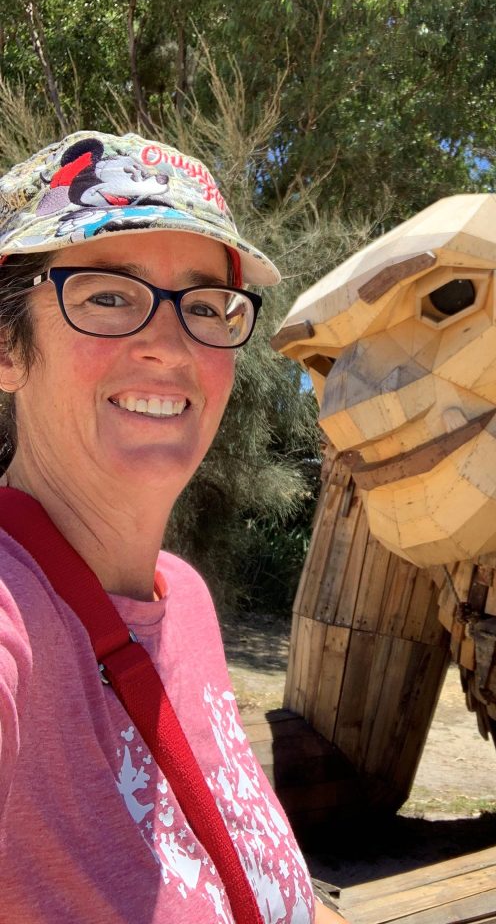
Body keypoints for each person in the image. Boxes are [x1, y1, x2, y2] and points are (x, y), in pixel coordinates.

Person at [0, 131, 344, 924]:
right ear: (8, 346)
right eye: (108, 295)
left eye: (205, 304)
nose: (169, 344)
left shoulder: (181, 597)